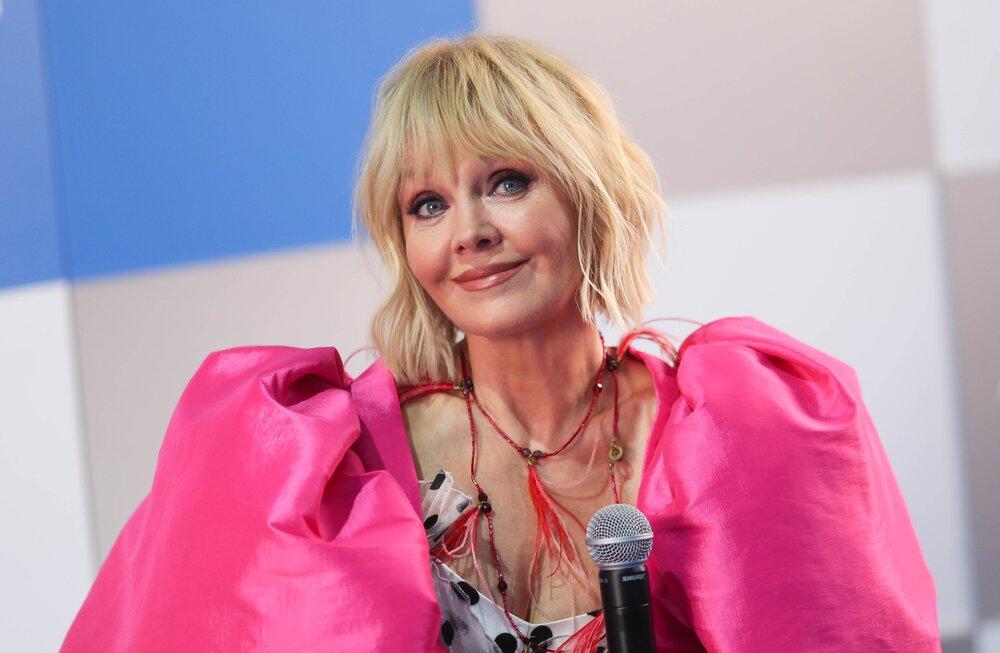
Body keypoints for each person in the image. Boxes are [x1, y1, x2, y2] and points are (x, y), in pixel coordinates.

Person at [62, 35, 940, 652]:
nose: (470, 232)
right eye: (428, 205)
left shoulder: (740, 427)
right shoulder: (329, 466)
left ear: (588, 195)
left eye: (507, 182)